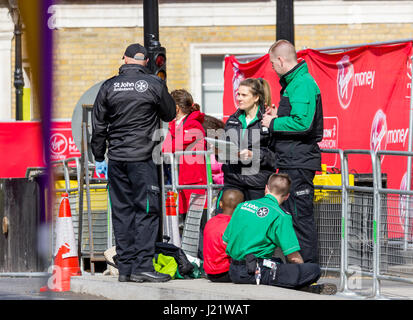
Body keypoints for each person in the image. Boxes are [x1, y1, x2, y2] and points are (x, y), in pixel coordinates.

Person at [91, 43, 176, 283]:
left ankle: (126, 268)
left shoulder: (108, 86)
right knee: (147, 211)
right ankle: (143, 266)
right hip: (143, 159)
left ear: (124, 60)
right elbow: (169, 114)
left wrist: (99, 156)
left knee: (122, 212)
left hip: (117, 159)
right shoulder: (154, 84)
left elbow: (98, 126)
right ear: (147, 62)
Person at [261, 40, 324, 264]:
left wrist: (274, 123)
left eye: (272, 63)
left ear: (280, 59)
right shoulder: (294, 83)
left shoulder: (302, 83)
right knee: (293, 217)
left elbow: (303, 123)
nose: (272, 68)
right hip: (291, 160)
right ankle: (298, 270)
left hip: (299, 162)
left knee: (300, 218)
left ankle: (307, 272)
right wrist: (277, 117)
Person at [222, 173, 336, 294]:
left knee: (278, 262)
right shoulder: (281, 216)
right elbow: (293, 257)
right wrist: (302, 270)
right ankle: (303, 286)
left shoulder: (242, 206)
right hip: (255, 272)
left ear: (266, 188)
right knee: (313, 270)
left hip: (233, 270)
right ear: (287, 196)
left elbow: (225, 241)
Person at [222, 78, 276, 201]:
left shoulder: (268, 120)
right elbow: (225, 152)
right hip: (233, 181)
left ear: (256, 97)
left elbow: (274, 156)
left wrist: (253, 154)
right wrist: (217, 150)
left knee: (254, 220)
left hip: (257, 184)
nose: (239, 98)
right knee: (227, 218)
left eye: (244, 95)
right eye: (238, 94)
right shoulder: (232, 120)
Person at [162, 89, 207, 217]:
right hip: (182, 181)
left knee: (194, 228)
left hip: (194, 183)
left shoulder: (193, 125)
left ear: (176, 108)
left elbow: (169, 148)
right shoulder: (176, 125)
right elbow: (166, 148)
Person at [203, 189, 244, 282]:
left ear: (220, 204)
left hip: (210, 273)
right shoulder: (235, 225)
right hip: (226, 273)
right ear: (240, 207)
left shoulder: (210, 221)